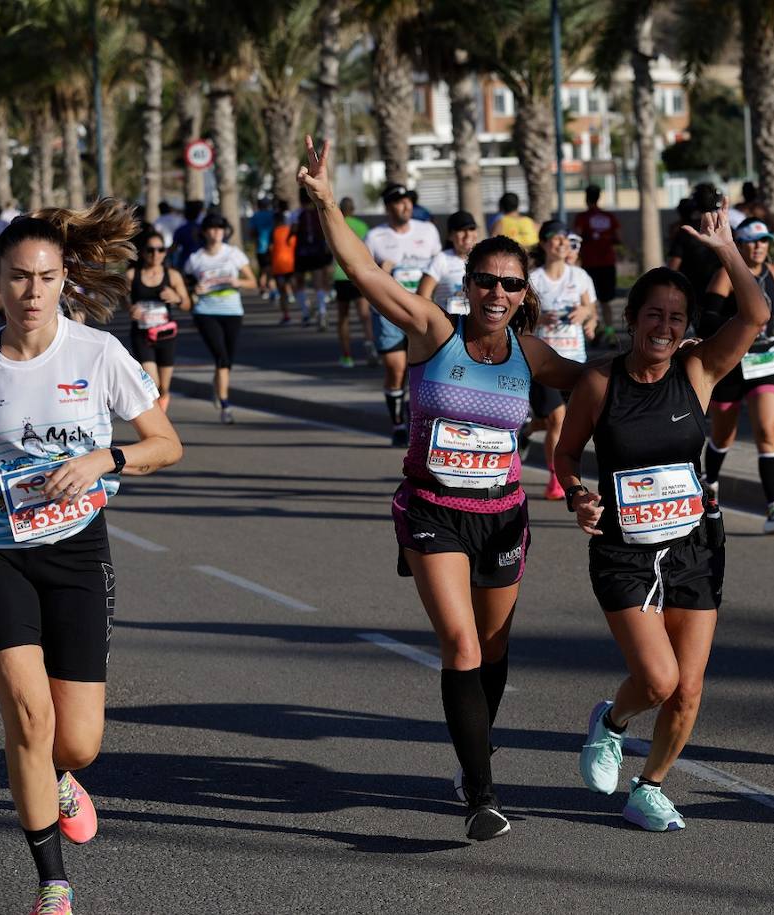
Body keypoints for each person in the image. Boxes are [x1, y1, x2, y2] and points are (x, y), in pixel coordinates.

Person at [298, 135, 594, 841]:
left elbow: (604, 390)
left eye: (510, 284)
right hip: (433, 511)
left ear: (525, 296)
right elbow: (367, 273)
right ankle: (483, 793)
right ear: (469, 286)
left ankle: (471, 755)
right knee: (460, 643)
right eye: (485, 281)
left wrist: (666, 362)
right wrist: (322, 202)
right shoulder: (436, 333)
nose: (496, 292)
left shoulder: (533, 354)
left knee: (492, 649)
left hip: (502, 516)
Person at [0, 199, 183, 915]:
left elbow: (166, 442)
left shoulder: (97, 354)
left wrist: (107, 455)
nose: (32, 292)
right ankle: (52, 886)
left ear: (65, 278)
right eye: (17, 277)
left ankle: (63, 778)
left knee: (79, 740)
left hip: (76, 554)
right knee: (28, 720)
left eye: (45, 277)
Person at [554, 205, 769, 832]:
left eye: (677, 318)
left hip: (695, 546)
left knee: (689, 690)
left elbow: (755, 315)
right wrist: (576, 492)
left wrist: (728, 249)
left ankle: (649, 786)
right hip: (623, 548)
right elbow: (568, 452)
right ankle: (611, 723)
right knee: (656, 677)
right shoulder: (600, 382)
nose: (665, 327)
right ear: (631, 319)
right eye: (654, 315)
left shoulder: (697, 370)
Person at [700, 217, 774, 532]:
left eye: (764, 241)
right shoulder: (726, 275)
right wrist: (739, 326)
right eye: (751, 241)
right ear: (740, 244)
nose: (759, 247)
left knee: (766, 431)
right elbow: (705, 320)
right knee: (723, 435)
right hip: (732, 363)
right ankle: (711, 482)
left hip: (766, 361)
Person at [365, 183, 443, 446]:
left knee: (422, 370)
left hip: (421, 312)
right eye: (399, 202)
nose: (406, 205)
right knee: (396, 368)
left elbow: (438, 267)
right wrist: (380, 271)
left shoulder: (428, 230)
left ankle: (416, 419)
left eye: (409, 200)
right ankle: (397, 422)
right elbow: (364, 278)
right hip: (388, 313)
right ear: (388, 207)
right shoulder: (376, 236)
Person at [528, 220, 596, 500]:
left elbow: (591, 310)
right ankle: (556, 479)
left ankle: (527, 430)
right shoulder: (534, 279)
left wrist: (586, 317)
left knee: (570, 423)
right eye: (556, 239)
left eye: (566, 239)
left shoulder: (579, 276)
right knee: (557, 419)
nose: (562, 244)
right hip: (546, 364)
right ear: (544, 243)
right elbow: (523, 321)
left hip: (576, 360)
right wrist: (540, 318)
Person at [183, 213, 258, 424]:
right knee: (221, 356)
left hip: (232, 311)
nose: (217, 233)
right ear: (205, 232)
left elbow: (253, 282)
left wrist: (238, 282)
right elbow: (185, 285)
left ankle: (217, 387)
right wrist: (194, 290)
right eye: (212, 229)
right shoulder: (195, 259)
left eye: (220, 229)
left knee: (227, 360)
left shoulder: (233, 254)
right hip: (205, 312)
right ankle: (225, 406)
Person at [128, 230, 192, 413]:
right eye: (150, 250)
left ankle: (161, 417)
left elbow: (187, 304)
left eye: (160, 250)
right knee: (152, 383)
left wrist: (177, 298)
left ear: (165, 252)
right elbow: (123, 299)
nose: (156, 254)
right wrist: (131, 308)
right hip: (142, 334)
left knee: (164, 387)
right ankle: (158, 426)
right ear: (143, 252)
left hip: (166, 335)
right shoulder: (133, 275)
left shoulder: (172, 275)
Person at [331, 197, 374, 368]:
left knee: (343, 317)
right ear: (354, 209)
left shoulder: (336, 224)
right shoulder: (362, 226)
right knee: (365, 316)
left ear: (341, 209)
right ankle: (370, 345)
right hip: (359, 275)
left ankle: (347, 356)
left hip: (341, 275)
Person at [572, 185, 621, 332]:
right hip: (607, 262)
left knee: (589, 300)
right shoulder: (609, 217)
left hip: (589, 263)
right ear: (599, 197)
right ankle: (610, 332)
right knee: (606, 301)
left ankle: (594, 329)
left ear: (586, 198)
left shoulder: (582, 218)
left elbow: (576, 238)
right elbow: (619, 238)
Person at [417, 210, 478, 316]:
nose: (468, 235)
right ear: (450, 235)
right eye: (461, 230)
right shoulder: (441, 259)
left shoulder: (484, 259)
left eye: (471, 229)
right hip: (449, 328)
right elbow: (423, 296)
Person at [293, 191, 333, 330]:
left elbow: (293, 231)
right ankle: (322, 312)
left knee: (299, 282)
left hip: (301, 252)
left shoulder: (296, 214)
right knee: (318, 283)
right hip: (317, 251)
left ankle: (305, 312)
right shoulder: (318, 213)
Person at [269, 200, 298, 324]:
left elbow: (270, 248)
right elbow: (295, 246)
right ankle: (306, 307)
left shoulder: (273, 232)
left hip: (278, 266)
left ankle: (286, 316)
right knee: (297, 287)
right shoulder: (290, 231)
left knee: (282, 292)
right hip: (291, 264)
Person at [249, 198, 277, 306]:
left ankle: (265, 290)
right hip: (273, 246)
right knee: (269, 269)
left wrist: (256, 239)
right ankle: (271, 290)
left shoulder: (255, 216)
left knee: (264, 269)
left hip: (260, 246)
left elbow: (252, 232)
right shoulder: (272, 215)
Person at [167, 200, 204, 270]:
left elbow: (173, 247)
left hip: (185, 260)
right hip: (202, 262)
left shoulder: (181, 230)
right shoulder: (203, 229)